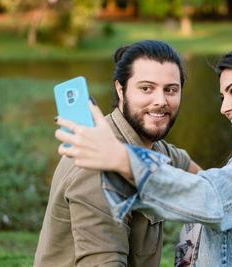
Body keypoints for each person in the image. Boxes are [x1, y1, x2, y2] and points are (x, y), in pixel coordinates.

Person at [55, 44, 232, 266]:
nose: (224, 107)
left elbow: (209, 194)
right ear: (120, 90)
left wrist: (120, 158)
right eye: (222, 96)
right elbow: (200, 177)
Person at [34, 40, 201, 267]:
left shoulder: (155, 150)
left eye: (170, 90)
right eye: (146, 88)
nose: (161, 101)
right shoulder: (95, 167)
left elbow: (209, 185)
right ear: (120, 90)